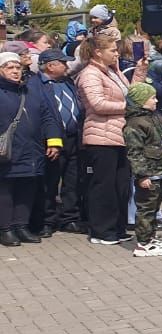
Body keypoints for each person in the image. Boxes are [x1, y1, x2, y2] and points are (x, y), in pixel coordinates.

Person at [76, 34, 134, 246]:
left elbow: (130, 93)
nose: (117, 53)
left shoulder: (113, 72)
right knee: (104, 186)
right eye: (112, 50)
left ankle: (117, 228)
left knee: (121, 185)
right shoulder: (90, 74)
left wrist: (142, 69)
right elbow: (97, 104)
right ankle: (101, 231)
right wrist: (129, 108)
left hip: (119, 135)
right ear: (98, 52)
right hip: (100, 138)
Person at [0, 52, 62, 246]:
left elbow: (48, 116)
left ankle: (21, 226)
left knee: (27, 188)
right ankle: (6, 229)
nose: (15, 71)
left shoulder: (31, 90)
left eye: (18, 67)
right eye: (9, 67)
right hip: (7, 151)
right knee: (7, 190)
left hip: (32, 149)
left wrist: (53, 141)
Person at [36, 49, 85, 235]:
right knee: (50, 181)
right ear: (50, 66)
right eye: (62, 63)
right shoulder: (37, 84)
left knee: (72, 181)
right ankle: (47, 221)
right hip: (52, 140)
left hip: (74, 138)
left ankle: (69, 218)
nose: (67, 66)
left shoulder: (67, 81)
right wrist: (51, 139)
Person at [122, 82, 162, 257]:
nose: (156, 100)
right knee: (146, 209)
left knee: (155, 206)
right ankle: (143, 243)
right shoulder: (135, 124)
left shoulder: (154, 117)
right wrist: (142, 175)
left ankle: (150, 237)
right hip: (149, 174)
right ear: (141, 100)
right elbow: (134, 153)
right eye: (152, 98)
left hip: (161, 171)